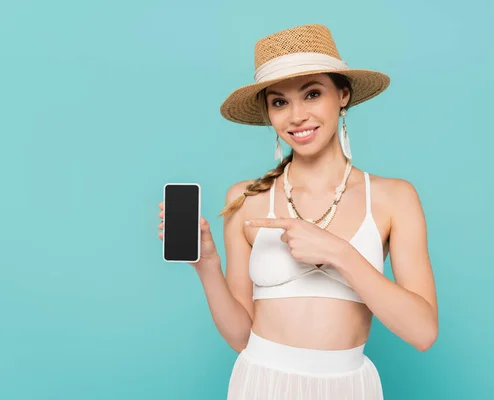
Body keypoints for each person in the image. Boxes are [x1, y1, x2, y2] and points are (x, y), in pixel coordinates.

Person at [158, 24, 438, 400]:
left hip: (348, 387)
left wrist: (339, 253)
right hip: (261, 384)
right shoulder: (246, 200)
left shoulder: (393, 198)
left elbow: (422, 333)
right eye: (279, 102)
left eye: (312, 94)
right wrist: (208, 266)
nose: (297, 116)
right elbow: (241, 336)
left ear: (343, 95)